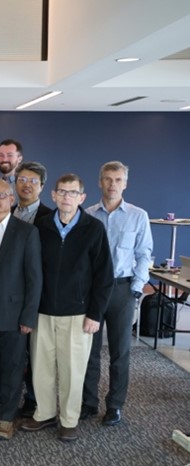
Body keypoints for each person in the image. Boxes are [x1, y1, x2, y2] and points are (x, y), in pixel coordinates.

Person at [20, 174, 113, 443]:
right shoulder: (40, 227)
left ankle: (69, 419)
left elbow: (104, 276)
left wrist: (96, 314)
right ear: (53, 195)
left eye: (73, 193)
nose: (67, 197)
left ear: (82, 198)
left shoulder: (93, 228)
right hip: (44, 311)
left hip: (79, 313)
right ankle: (45, 413)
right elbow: (31, 272)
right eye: (62, 192)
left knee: (73, 370)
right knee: (42, 367)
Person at [81, 161, 153, 426]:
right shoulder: (87, 214)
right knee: (90, 351)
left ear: (125, 183)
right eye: (108, 179)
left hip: (123, 289)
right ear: (100, 182)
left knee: (120, 352)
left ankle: (115, 405)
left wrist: (136, 290)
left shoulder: (138, 215)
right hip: (92, 292)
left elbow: (144, 254)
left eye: (118, 180)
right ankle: (88, 402)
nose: (113, 184)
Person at [0, 179, 42, 441]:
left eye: (1, 196)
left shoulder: (26, 232)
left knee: (13, 366)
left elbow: (34, 279)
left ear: (11, 199)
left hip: (13, 314)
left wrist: (29, 316)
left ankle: (6, 417)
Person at [11, 161, 53, 418]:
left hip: (37, 296)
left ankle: (34, 399)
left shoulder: (50, 218)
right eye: (22, 180)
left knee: (37, 353)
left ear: (42, 186)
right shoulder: (5, 211)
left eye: (32, 181)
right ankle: (10, 396)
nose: (26, 185)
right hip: (8, 296)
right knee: (15, 353)